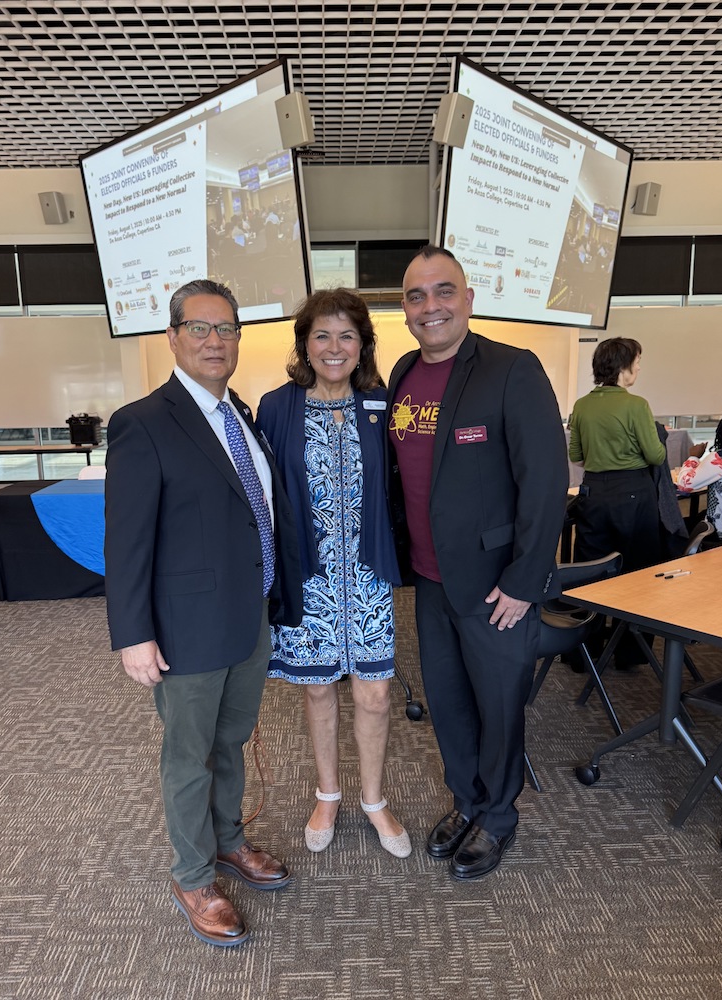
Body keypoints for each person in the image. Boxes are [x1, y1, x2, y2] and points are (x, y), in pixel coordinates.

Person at [104, 279, 302, 948]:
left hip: (248, 620)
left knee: (230, 742)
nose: (215, 341)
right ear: (173, 336)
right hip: (186, 630)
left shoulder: (237, 412)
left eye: (226, 329)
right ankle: (192, 875)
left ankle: (227, 843)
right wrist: (133, 634)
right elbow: (126, 538)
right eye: (200, 328)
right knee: (189, 756)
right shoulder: (144, 421)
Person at [386, 246, 568, 880]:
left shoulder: (512, 369)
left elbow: (543, 484)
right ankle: (466, 800)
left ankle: (497, 816)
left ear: (468, 298)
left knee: (498, 706)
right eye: (416, 295)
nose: (430, 305)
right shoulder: (404, 372)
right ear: (404, 310)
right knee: (449, 703)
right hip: (429, 582)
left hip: (496, 586)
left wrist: (523, 580)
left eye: (443, 291)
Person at [257, 289, 411, 859]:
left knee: (374, 694)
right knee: (318, 688)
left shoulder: (381, 403)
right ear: (304, 344)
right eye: (321, 334)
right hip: (308, 579)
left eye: (347, 335)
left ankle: (373, 800)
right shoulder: (276, 407)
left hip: (366, 577)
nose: (334, 346)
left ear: (364, 345)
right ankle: (327, 794)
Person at [568, 337, 666, 667]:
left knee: (590, 573)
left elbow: (576, 455)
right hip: (633, 495)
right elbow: (655, 454)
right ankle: (629, 653)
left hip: (593, 494)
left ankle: (585, 651)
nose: (639, 367)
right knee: (637, 574)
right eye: (637, 361)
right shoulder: (636, 405)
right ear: (624, 366)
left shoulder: (582, 405)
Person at [677, 415, 722, 543]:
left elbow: (684, 483)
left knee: (679, 529)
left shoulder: (720, 459)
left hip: (719, 531)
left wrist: (693, 457)